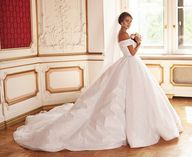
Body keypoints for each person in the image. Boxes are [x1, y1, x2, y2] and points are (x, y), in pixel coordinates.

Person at [13, 12, 183, 152]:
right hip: (131, 63)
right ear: (121, 22)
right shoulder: (123, 33)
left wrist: (135, 40)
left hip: (131, 65)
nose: (128, 23)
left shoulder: (124, 33)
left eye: (130, 21)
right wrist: (139, 43)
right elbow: (131, 54)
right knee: (124, 96)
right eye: (126, 21)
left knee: (134, 95)